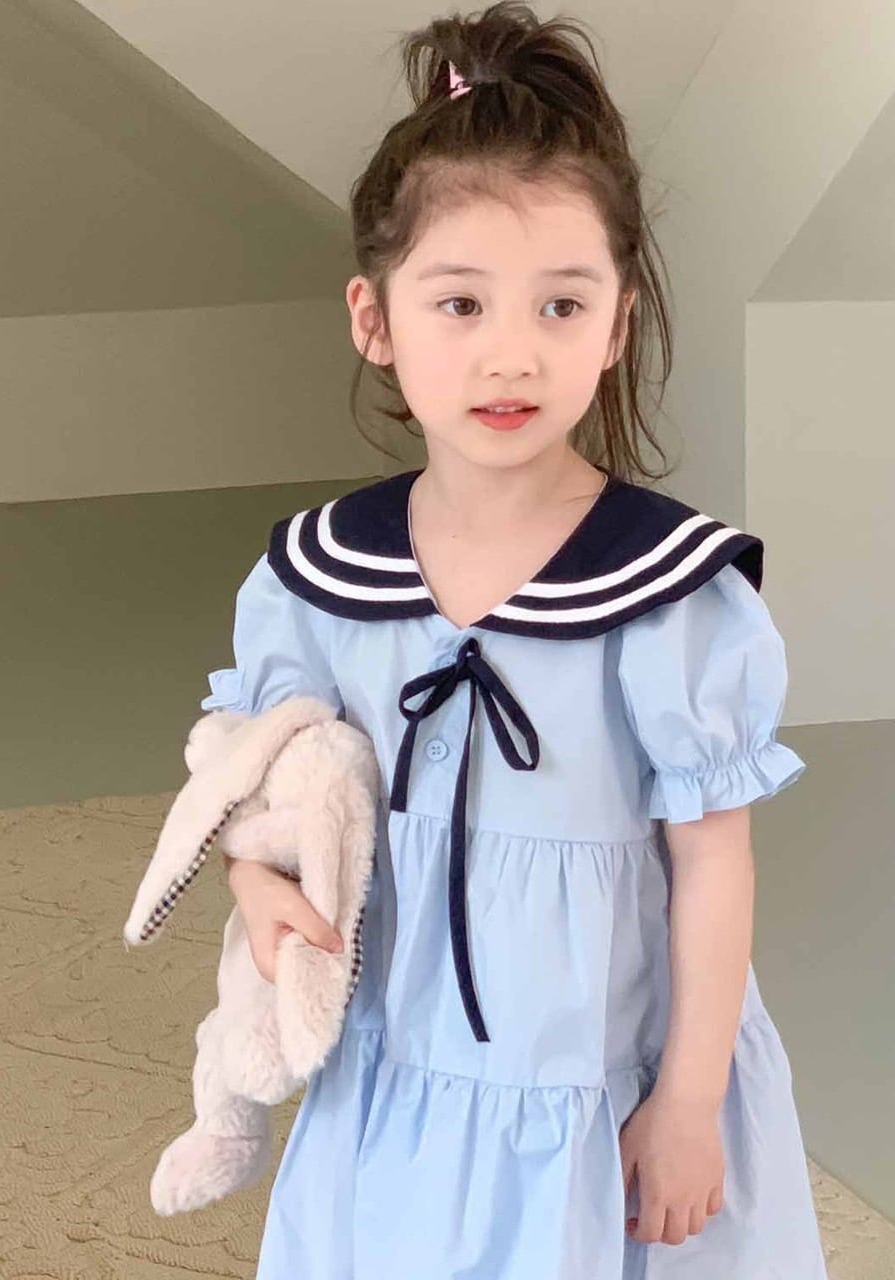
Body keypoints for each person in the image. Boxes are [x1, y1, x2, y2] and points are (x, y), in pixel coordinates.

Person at [202, 5, 829, 1276]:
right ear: (374, 318)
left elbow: (712, 863)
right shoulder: (318, 579)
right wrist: (255, 887)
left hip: (601, 1079)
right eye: (459, 303)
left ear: (615, 322)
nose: (510, 353)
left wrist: (688, 1100)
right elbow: (269, 798)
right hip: (397, 1066)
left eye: (559, 305)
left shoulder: (668, 594)